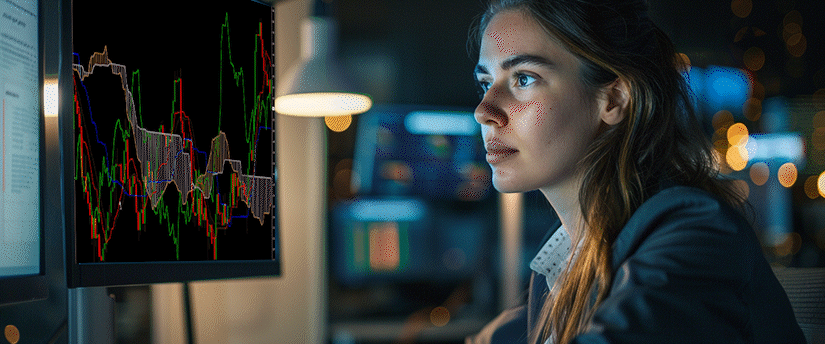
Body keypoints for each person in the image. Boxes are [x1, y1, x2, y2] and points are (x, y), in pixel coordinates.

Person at [466, 0, 806, 343]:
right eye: (485, 83)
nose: (484, 110)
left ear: (613, 99)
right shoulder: (563, 264)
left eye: (523, 78)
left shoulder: (695, 234)